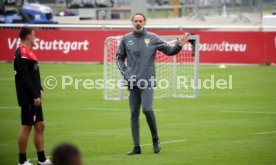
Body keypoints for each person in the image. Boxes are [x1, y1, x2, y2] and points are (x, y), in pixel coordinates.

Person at [116, 13, 190, 155]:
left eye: (140, 21)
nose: (138, 23)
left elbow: (170, 51)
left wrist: (179, 44)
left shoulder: (153, 38)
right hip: (132, 83)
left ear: (144, 22)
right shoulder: (126, 39)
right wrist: (125, 72)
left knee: (147, 110)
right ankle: (136, 147)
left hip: (147, 81)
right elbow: (119, 58)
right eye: (136, 21)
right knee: (133, 114)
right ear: (132, 22)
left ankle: (155, 139)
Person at [14, 27, 51, 165]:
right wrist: (34, 94)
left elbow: (33, 75)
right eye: (34, 35)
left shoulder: (29, 53)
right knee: (26, 126)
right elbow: (24, 77)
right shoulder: (22, 53)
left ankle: (41, 160)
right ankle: (22, 161)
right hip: (28, 96)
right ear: (28, 36)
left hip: (35, 96)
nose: (35, 37)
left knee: (40, 125)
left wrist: (40, 88)